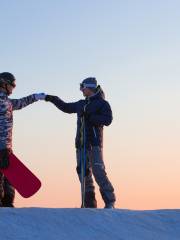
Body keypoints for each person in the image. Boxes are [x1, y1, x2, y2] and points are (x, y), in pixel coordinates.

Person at [45, 77, 116, 208]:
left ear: (89, 88)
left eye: (82, 87)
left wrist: (91, 117)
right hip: (80, 144)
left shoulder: (102, 103)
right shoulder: (81, 103)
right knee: (83, 172)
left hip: (94, 144)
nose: (81, 90)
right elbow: (66, 107)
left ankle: (110, 201)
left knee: (98, 171)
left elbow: (108, 119)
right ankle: (89, 203)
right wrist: (51, 98)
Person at [0, 72, 45, 207]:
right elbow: (18, 103)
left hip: (6, 147)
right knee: (4, 174)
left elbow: (20, 103)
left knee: (8, 174)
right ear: (4, 84)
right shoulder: (4, 102)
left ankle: (7, 203)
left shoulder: (7, 101)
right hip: (2, 147)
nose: (13, 89)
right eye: (12, 85)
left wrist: (35, 97)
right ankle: (5, 203)